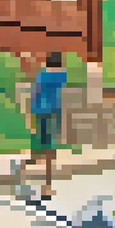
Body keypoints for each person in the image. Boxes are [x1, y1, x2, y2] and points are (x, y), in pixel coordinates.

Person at [23, 52, 69, 198]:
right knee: (49, 150)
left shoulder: (41, 76)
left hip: (39, 112)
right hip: (52, 113)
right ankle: (47, 185)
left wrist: (30, 112)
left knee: (40, 140)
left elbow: (35, 93)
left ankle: (32, 160)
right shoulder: (61, 76)